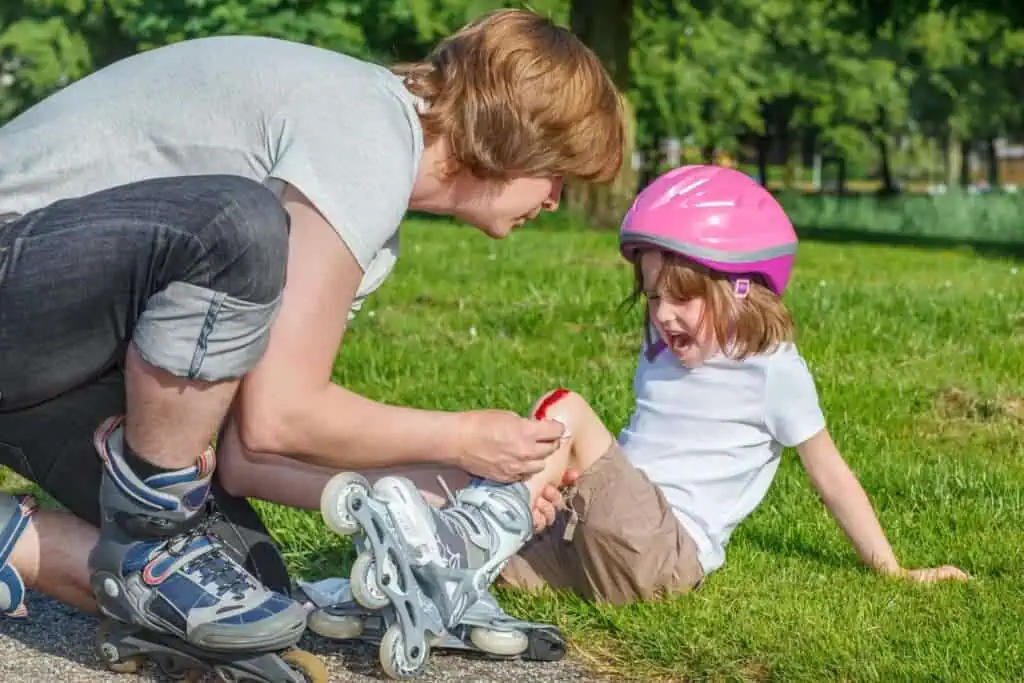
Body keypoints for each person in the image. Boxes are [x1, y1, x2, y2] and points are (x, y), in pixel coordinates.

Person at [0, 6, 623, 671]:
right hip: (25, 286)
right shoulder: (369, 129)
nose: (555, 199)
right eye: (557, 172)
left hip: (50, 345)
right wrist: (464, 436)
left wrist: (444, 487)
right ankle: (154, 534)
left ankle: (23, 543)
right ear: (514, 136)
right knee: (237, 226)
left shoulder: (371, 217)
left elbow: (249, 449)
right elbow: (281, 417)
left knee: (248, 605)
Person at [312, 165, 969, 671]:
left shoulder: (773, 369)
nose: (663, 314)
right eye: (654, 296)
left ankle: (455, 542)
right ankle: (380, 580)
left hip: (664, 553)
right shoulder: (660, 354)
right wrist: (556, 485)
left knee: (561, 413)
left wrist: (891, 567)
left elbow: (829, 474)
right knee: (475, 493)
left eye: (683, 298)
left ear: (742, 288)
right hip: (599, 543)